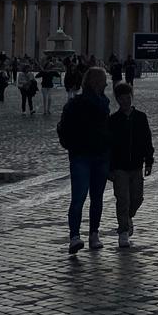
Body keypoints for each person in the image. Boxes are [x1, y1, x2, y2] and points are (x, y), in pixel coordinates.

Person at [57, 67, 112, 254]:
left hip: (99, 155)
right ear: (95, 82)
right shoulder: (77, 104)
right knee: (81, 198)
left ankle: (90, 234)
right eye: (103, 79)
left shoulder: (104, 103)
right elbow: (63, 129)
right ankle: (77, 236)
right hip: (82, 156)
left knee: (93, 198)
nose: (106, 83)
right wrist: (74, 146)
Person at [107, 82, 154, 248]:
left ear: (131, 97)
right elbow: (109, 145)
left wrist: (149, 161)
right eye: (121, 99)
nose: (125, 101)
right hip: (119, 166)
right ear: (117, 100)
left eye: (127, 98)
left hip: (136, 165)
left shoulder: (140, 117)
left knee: (137, 198)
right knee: (122, 199)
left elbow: (147, 140)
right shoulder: (113, 120)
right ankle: (124, 231)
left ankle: (128, 217)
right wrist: (109, 168)